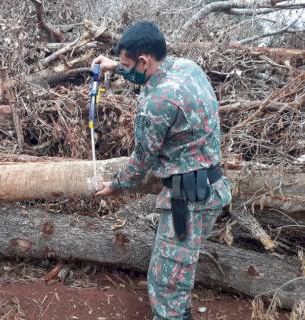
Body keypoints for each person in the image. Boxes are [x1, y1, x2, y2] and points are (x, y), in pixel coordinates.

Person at [92, 21, 232, 320]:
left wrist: (116, 186)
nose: (126, 71)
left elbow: (143, 159)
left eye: (128, 65)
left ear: (144, 61)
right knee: (176, 274)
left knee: (167, 282)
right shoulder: (187, 67)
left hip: (188, 199)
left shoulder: (156, 102)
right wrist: (114, 66)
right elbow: (147, 67)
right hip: (212, 187)